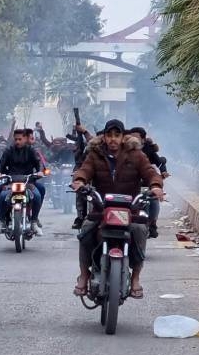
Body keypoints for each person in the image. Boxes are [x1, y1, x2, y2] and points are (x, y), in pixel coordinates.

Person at [70, 119, 165, 299]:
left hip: (131, 210)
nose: (113, 139)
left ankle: (136, 278)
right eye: (109, 135)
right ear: (104, 137)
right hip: (101, 208)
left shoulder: (136, 155)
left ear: (123, 138)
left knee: (139, 231)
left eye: (117, 135)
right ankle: (84, 275)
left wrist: (155, 186)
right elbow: (85, 170)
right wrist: (80, 181)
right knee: (86, 230)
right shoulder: (95, 154)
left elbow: (150, 172)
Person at [0, 128, 45, 235]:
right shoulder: (8, 151)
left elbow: (39, 163)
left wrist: (40, 172)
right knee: (2, 194)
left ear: (26, 139)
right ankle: (2, 221)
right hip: (11, 182)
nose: (17, 141)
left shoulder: (31, 151)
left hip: (28, 182)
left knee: (37, 195)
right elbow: (1, 164)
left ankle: (34, 222)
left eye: (20, 139)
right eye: (16, 139)